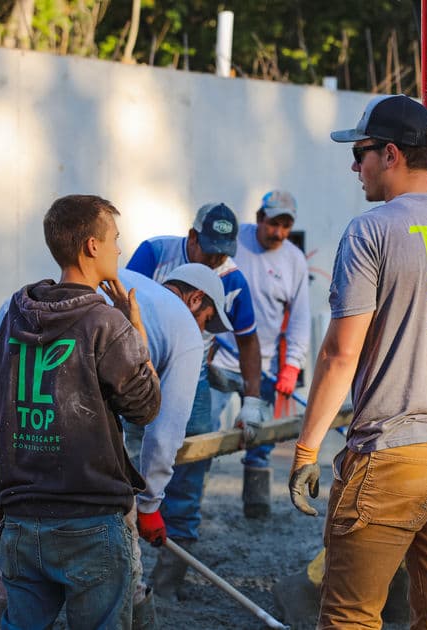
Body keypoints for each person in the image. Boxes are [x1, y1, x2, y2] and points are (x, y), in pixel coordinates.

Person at [288, 95, 427, 628]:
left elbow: (342, 353)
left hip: (396, 452)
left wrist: (306, 448)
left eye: (360, 152)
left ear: (390, 154)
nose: (353, 165)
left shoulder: (371, 232)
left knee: (350, 614)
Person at [0, 263, 231, 629]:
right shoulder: (183, 327)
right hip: (89, 503)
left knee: (23, 582)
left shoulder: (72, 290)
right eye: (207, 318)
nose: (203, 329)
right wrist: (149, 505)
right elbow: (165, 431)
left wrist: (7, 492)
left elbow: (9, 407)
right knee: (118, 564)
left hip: (27, 474)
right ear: (195, 298)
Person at [0, 194, 161, 629]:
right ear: (91, 246)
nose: (120, 249)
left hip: (21, 518)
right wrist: (134, 327)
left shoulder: (14, 313)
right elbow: (146, 407)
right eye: (115, 239)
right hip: (90, 521)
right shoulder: (106, 322)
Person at [125, 202, 267, 598]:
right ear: (191, 238)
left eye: (224, 250)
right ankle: (127, 532)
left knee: (196, 446)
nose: (216, 257)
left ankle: (172, 563)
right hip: (137, 362)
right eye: (208, 248)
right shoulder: (154, 253)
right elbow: (121, 308)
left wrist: (251, 399)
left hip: (194, 366)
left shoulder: (232, 277)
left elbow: (248, 339)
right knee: (135, 447)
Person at [209, 189, 311, 518]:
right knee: (203, 430)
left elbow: (299, 319)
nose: (279, 232)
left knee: (260, 439)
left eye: (285, 226)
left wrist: (292, 366)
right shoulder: (234, 244)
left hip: (264, 364)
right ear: (259, 218)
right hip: (221, 358)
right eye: (273, 224)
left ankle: (256, 507)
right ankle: (186, 502)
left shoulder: (293, 259)